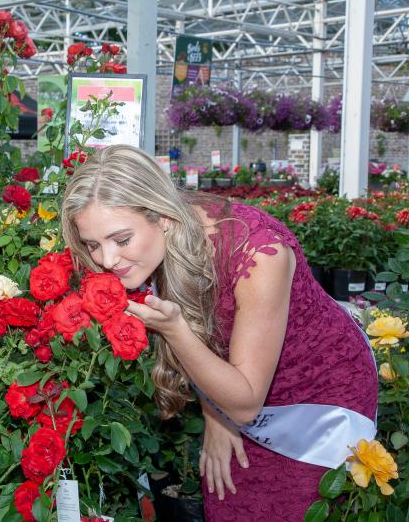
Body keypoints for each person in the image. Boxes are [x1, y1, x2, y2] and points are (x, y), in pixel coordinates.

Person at [61, 145, 377, 520]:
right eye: (93, 245)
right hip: (232, 390)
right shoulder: (159, 237)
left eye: (121, 239)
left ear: (163, 216)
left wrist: (175, 333)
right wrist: (216, 414)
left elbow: (245, 402)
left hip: (315, 406)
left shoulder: (260, 253)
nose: (107, 260)